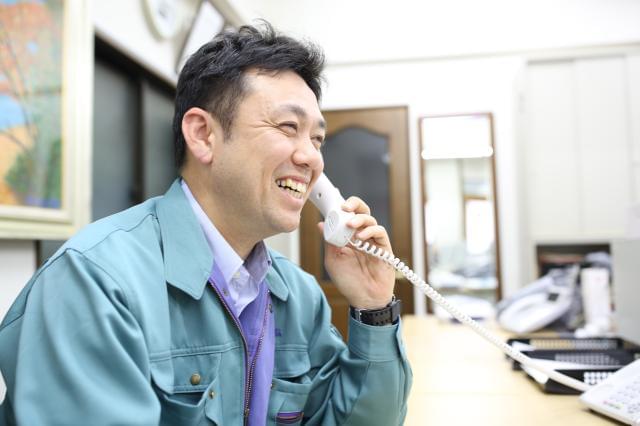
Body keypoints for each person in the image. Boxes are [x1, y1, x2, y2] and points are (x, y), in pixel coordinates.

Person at [0, 22, 411, 425]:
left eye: (317, 139)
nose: (311, 158)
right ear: (202, 135)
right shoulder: (93, 283)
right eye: (289, 127)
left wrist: (373, 308)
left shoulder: (299, 296)